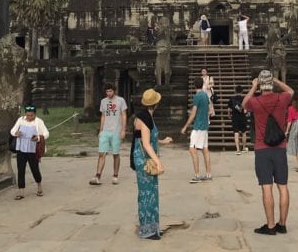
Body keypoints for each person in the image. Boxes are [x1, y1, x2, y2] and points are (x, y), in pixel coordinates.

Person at [243, 69, 294, 235]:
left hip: (262, 149)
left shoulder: (256, 102)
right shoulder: (282, 98)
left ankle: (270, 225)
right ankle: (282, 224)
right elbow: (291, 91)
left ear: (260, 85)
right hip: (280, 148)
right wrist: (277, 80)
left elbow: (244, 104)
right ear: (271, 84)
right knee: (283, 187)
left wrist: (253, 86)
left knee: (266, 188)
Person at [131, 88, 172, 240]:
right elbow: (146, 144)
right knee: (147, 194)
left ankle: (152, 227)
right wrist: (158, 162)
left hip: (147, 158)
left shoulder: (147, 116)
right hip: (144, 160)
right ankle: (146, 230)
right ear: (156, 104)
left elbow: (145, 139)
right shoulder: (144, 119)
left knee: (151, 193)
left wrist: (162, 141)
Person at [90, 83, 127, 186]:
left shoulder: (121, 100)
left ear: (114, 91)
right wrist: (101, 130)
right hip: (105, 130)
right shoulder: (103, 101)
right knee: (101, 153)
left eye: (110, 91)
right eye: (107, 91)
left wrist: (123, 130)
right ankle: (97, 176)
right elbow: (103, 116)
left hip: (116, 130)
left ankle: (115, 175)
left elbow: (124, 115)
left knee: (115, 154)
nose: (109, 93)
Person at [10, 104, 49, 199]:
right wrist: (16, 133)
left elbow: (46, 133)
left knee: (34, 169)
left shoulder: (39, 122)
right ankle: (21, 191)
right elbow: (12, 130)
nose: (29, 117)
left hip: (33, 150)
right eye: (28, 115)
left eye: (31, 115)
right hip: (21, 149)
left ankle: (39, 185)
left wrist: (38, 138)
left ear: (34, 114)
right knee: (21, 170)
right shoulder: (20, 120)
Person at [180, 76, 212, 183]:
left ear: (194, 85)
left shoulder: (197, 96)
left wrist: (185, 126)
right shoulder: (206, 95)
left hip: (198, 126)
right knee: (205, 150)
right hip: (205, 126)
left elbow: (193, 113)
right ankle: (208, 173)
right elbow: (209, 110)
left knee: (192, 150)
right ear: (202, 84)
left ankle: (197, 175)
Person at [228, 85, 250, 154]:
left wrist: (229, 115)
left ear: (235, 91)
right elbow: (246, 110)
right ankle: (243, 148)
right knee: (244, 133)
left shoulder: (232, 99)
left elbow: (229, 109)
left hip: (235, 117)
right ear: (242, 91)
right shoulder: (244, 98)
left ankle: (238, 150)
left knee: (236, 133)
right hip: (243, 117)